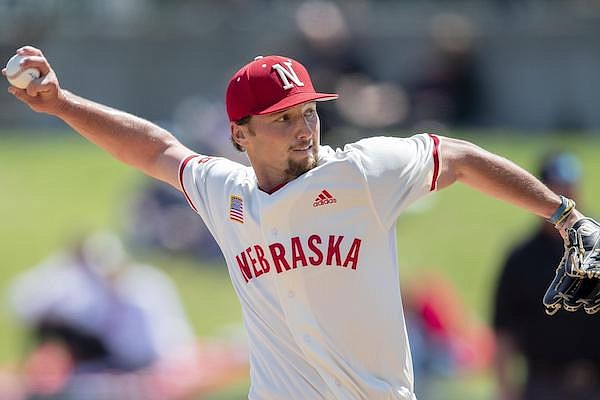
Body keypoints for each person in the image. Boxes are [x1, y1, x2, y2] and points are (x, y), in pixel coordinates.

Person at [3, 46, 591, 400]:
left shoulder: (362, 174)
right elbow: (157, 151)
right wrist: (60, 104)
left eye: (308, 111)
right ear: (241, 134)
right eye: (283, 118)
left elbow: (459, 158)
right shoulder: (225, 193)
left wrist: (566, 217)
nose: (305, 126)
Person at [492, 152, 600, 400]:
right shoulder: (521, 257)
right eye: (557, 188)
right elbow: (504, 329)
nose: (567, 194)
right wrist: (506, 388)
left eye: (571, 185)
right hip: (543, 385)